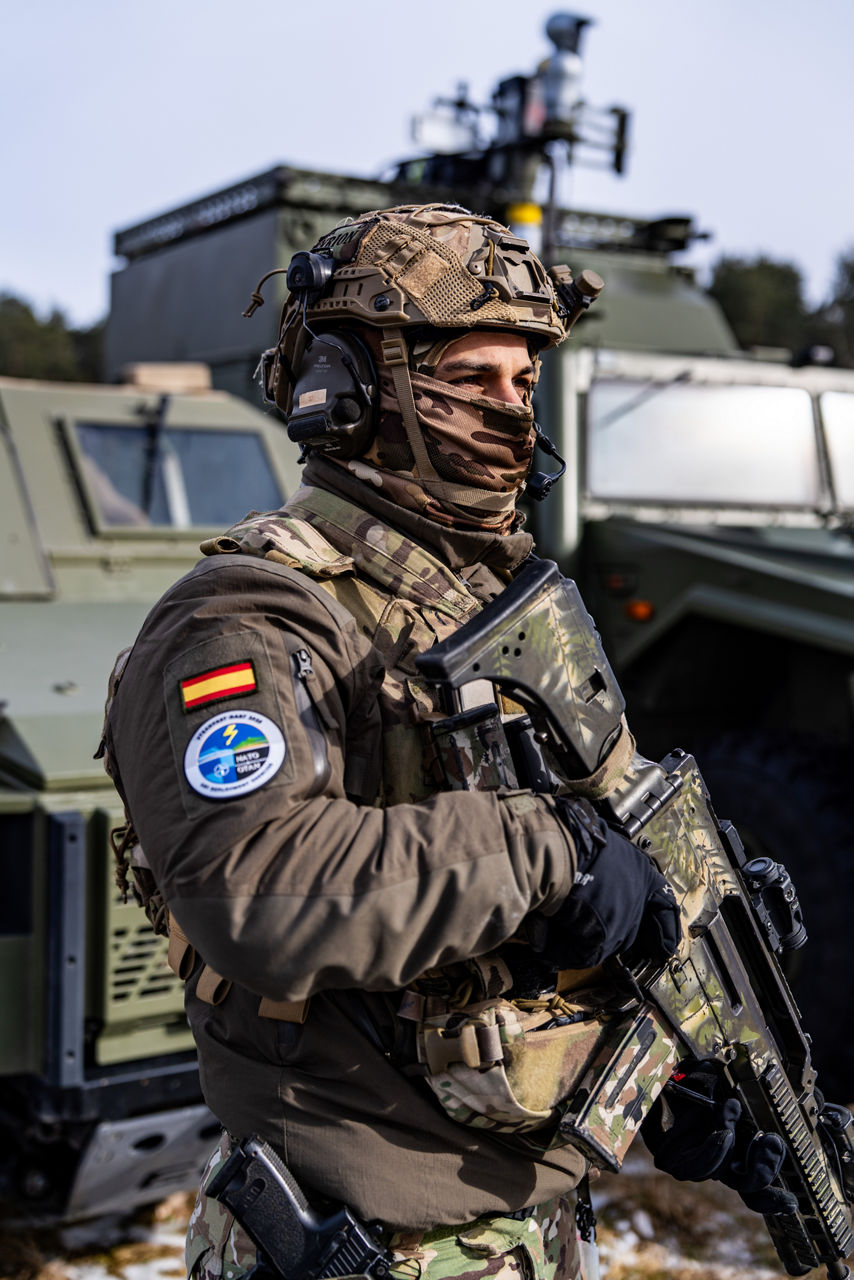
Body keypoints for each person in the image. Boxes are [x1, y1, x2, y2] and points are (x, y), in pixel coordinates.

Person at [101, 204, 723, 1280]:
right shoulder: (252, 612)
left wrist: (677, 1061)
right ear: (346, 392)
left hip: (528, 1222)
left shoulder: (488, 604)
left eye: (522, 382)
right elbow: (257, 888)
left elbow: (595, 863)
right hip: (365, 1237)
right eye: (471, 378)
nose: (510, 411)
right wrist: (551, 851)